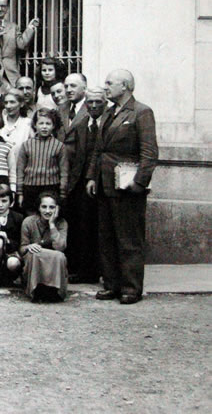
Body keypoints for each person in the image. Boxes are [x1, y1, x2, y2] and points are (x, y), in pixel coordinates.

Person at [87, 69, 158, 305]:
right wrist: (91, 177)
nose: (105, 87)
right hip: (106, 184)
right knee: (106, 237)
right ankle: (112, 284)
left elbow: (149, 152)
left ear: (125, 86)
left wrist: (139, 183)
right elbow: (99, 149)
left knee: (129, 238)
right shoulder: (109, 112)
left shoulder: (141, 112)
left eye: (110, 83)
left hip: (127, 187)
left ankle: (131, 287)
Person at [63, 87, 104, 284]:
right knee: (81, 226)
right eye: (91, 102)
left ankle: (98, 269)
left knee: (99, 227)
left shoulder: (108, 123)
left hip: (102, 182)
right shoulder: (81, 124)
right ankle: (82, 269)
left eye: (99, 102)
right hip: (79, 183)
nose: (94, 106)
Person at [16, 107, 69, 215]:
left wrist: (62, 194)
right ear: (35, 125)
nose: (44, 127)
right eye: (41, 123)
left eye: (48, 124)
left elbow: (64, 172)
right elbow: (20, 170)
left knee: (49, 217)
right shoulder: (26, 145)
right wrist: (20, 193)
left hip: (51, 188)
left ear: (54, 126)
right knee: (31, 217)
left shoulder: (59, 146)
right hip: (30, 188)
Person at [20, 192, 69, 302]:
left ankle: (54, 290)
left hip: (53, 262)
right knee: (34, 254)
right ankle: (36, 290)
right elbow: (21, 249)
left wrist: (52, 225)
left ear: (57, 209)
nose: (47, 211)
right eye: (44, 207)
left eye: (51, 207)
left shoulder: (62, 223)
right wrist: (29, 246)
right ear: (38, 207)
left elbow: (60, 247)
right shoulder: (28, 222)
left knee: (59, 256)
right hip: (34, 260)